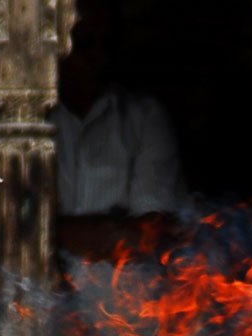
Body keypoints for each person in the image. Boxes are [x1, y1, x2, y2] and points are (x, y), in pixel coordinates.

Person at [53, 0, 191, 263]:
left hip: (119, 301)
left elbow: (153, 234)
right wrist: (114, 229)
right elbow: (12, 231)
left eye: (108, 44)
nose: (100, 57)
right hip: (35, 300)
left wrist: (55, 232)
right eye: (85, 43)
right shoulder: (16, 126)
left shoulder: (145, 118)